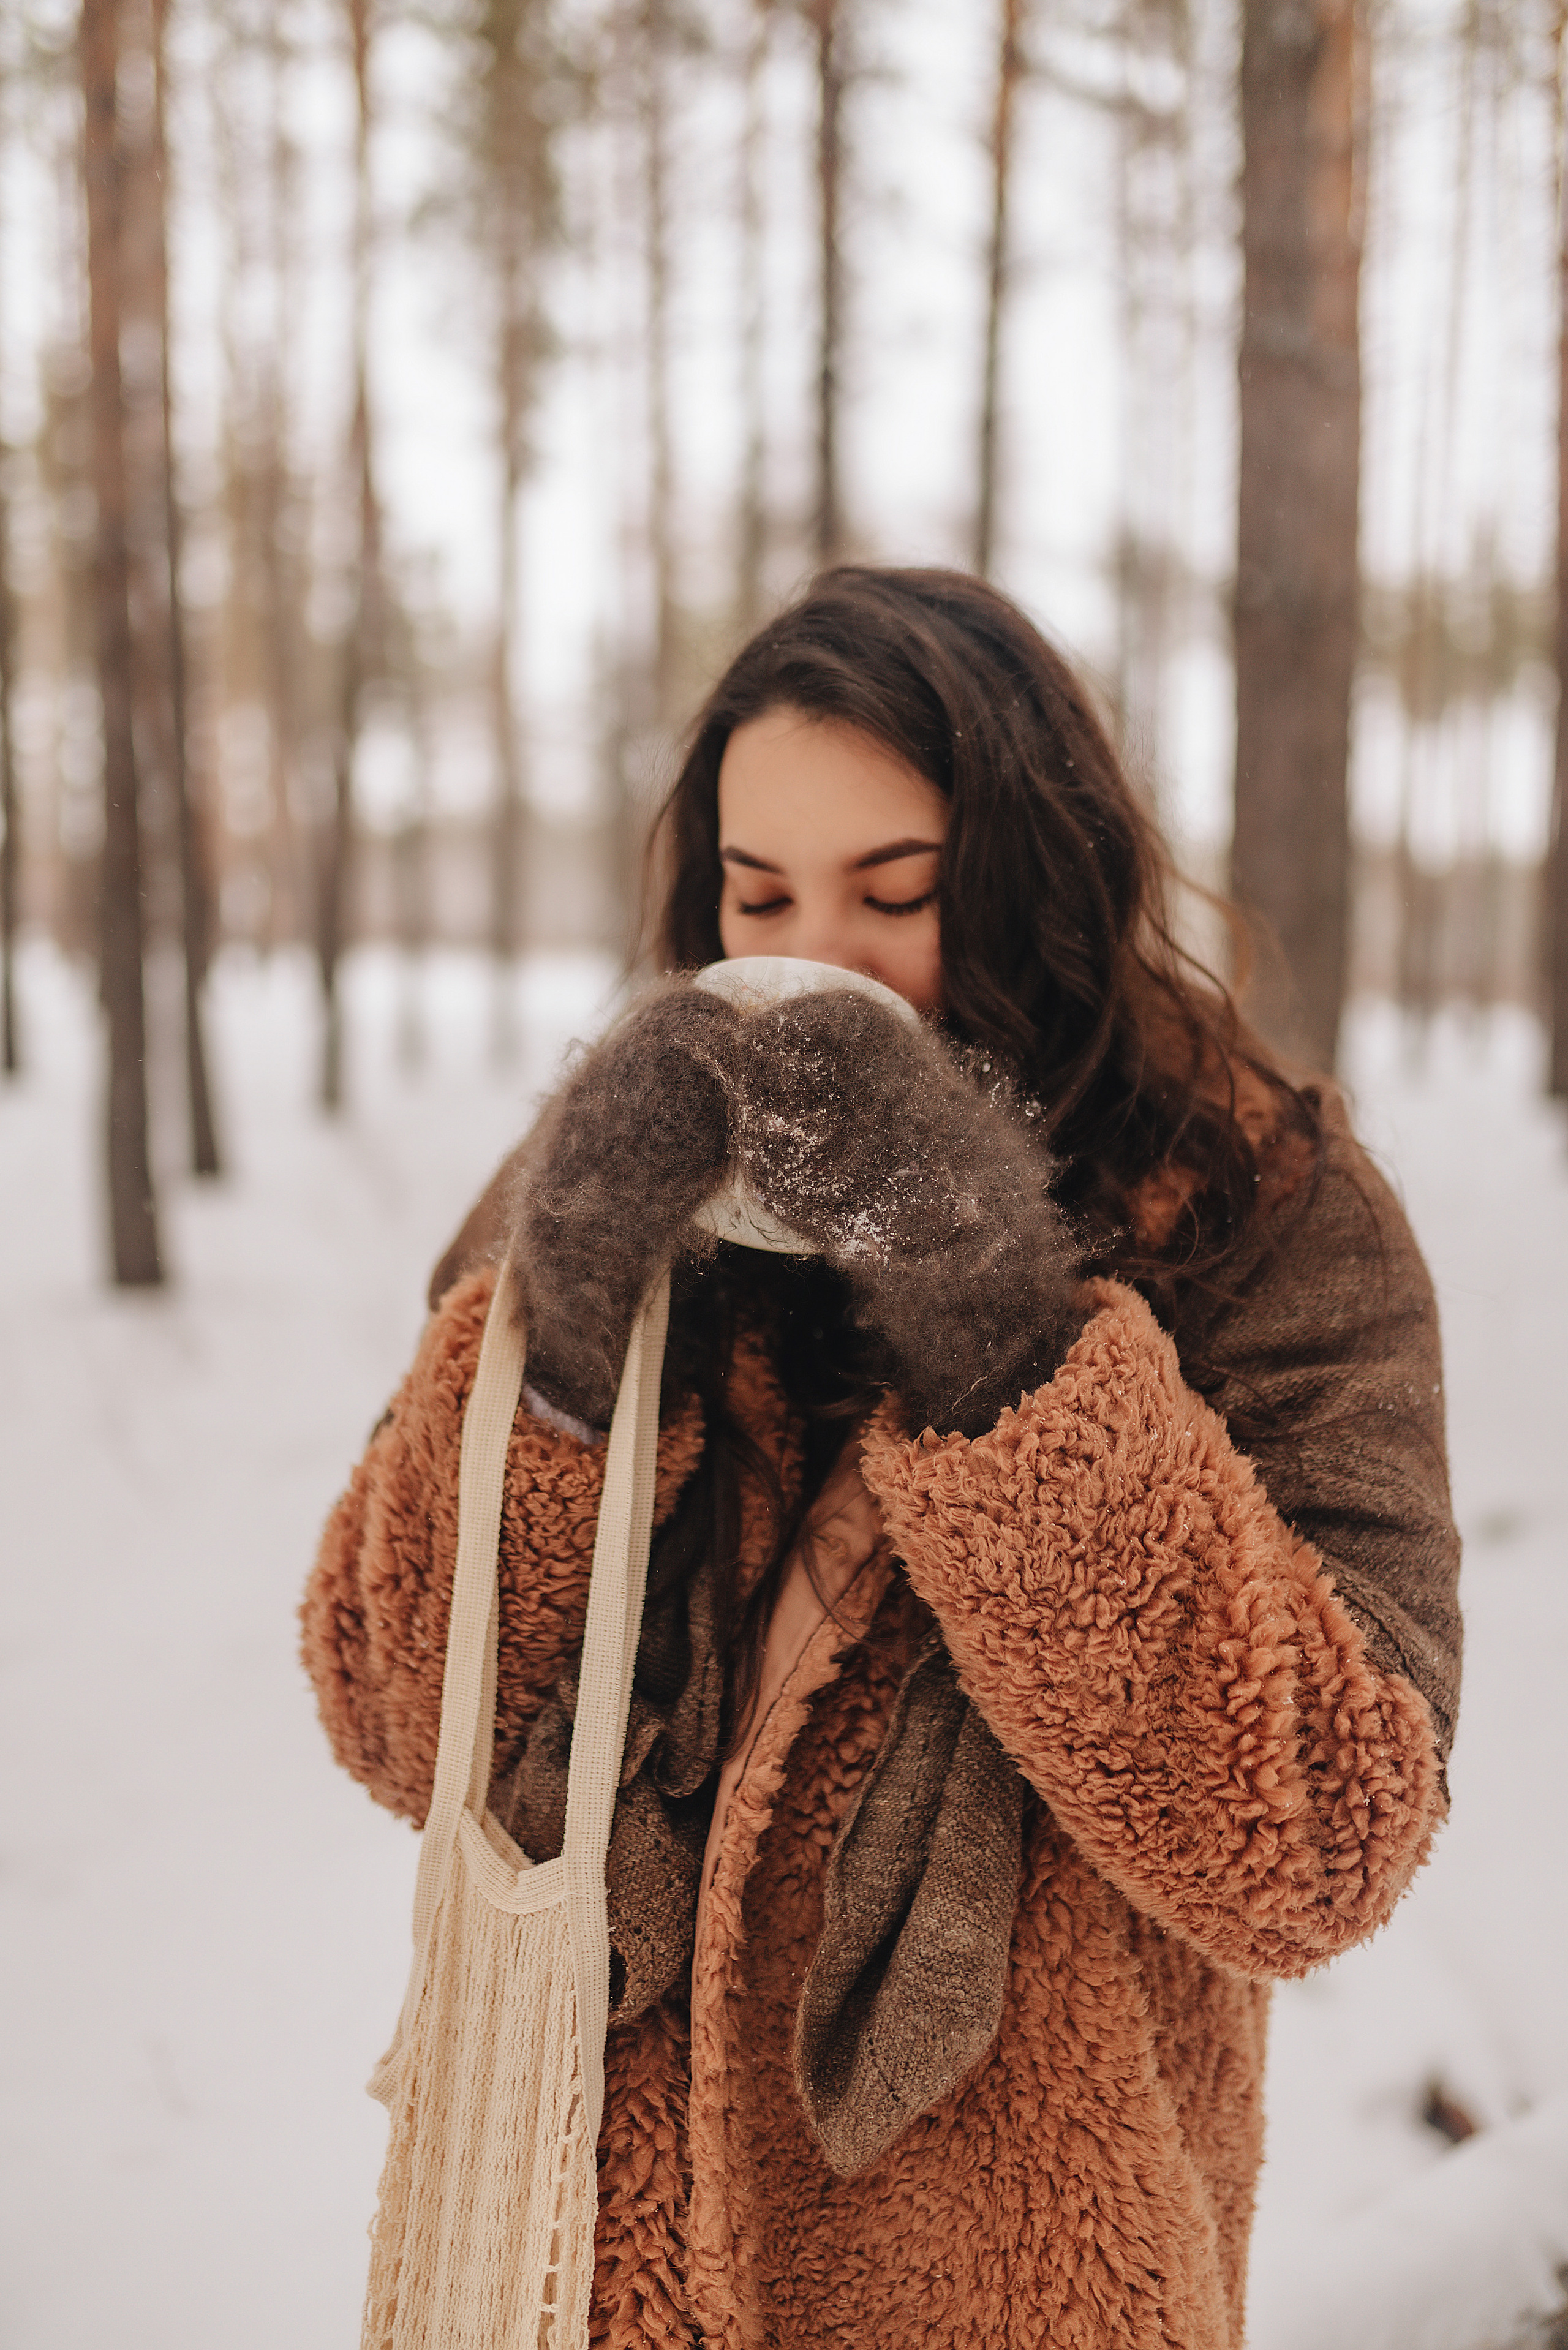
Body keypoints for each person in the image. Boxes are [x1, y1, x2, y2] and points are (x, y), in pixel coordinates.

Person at [302, 566, 1461, 2350]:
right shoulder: (624, 1174)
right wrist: (566, 1344)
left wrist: (998, 1330)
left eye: (895, 894)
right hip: (573, 2286)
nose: (813, 966)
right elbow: (394, 1715)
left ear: (1040, 885)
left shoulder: (1260, 1214)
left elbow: (1314, 1841)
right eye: (759, 896)